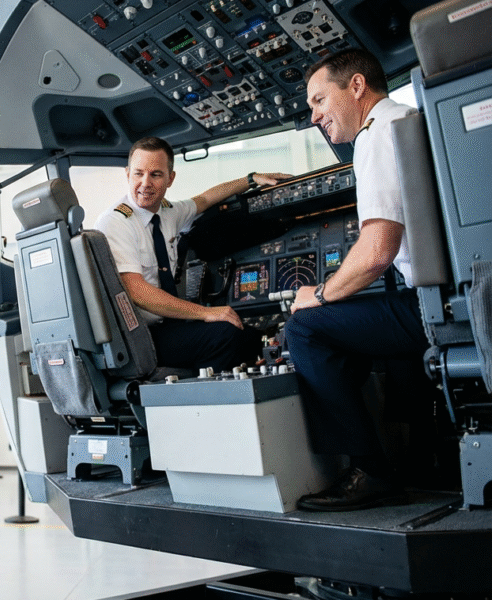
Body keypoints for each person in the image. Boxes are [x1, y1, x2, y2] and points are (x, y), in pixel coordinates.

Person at [285, 48, 429, 512]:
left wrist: (319, 294)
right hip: (460, 297)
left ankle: (371, 471)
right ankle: (425, 460)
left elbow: (376, 252)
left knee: (306, 329)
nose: (314, 116)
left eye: (319, 100)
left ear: (357, 87)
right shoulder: (409, 117)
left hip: (432, 305)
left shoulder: (377, 134)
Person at [94, 136, 289, 373]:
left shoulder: (168, 212)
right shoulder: (116, 222)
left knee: (249, 336)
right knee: (227, 336)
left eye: (155, 174)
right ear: (127, 174)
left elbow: (205, 199)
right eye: (138, 173)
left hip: (167, 326)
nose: (145, 183)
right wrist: (206, 313)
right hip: (139, 336)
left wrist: (251, 179)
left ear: (170, 179)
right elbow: (137, 292)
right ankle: (204, 399)